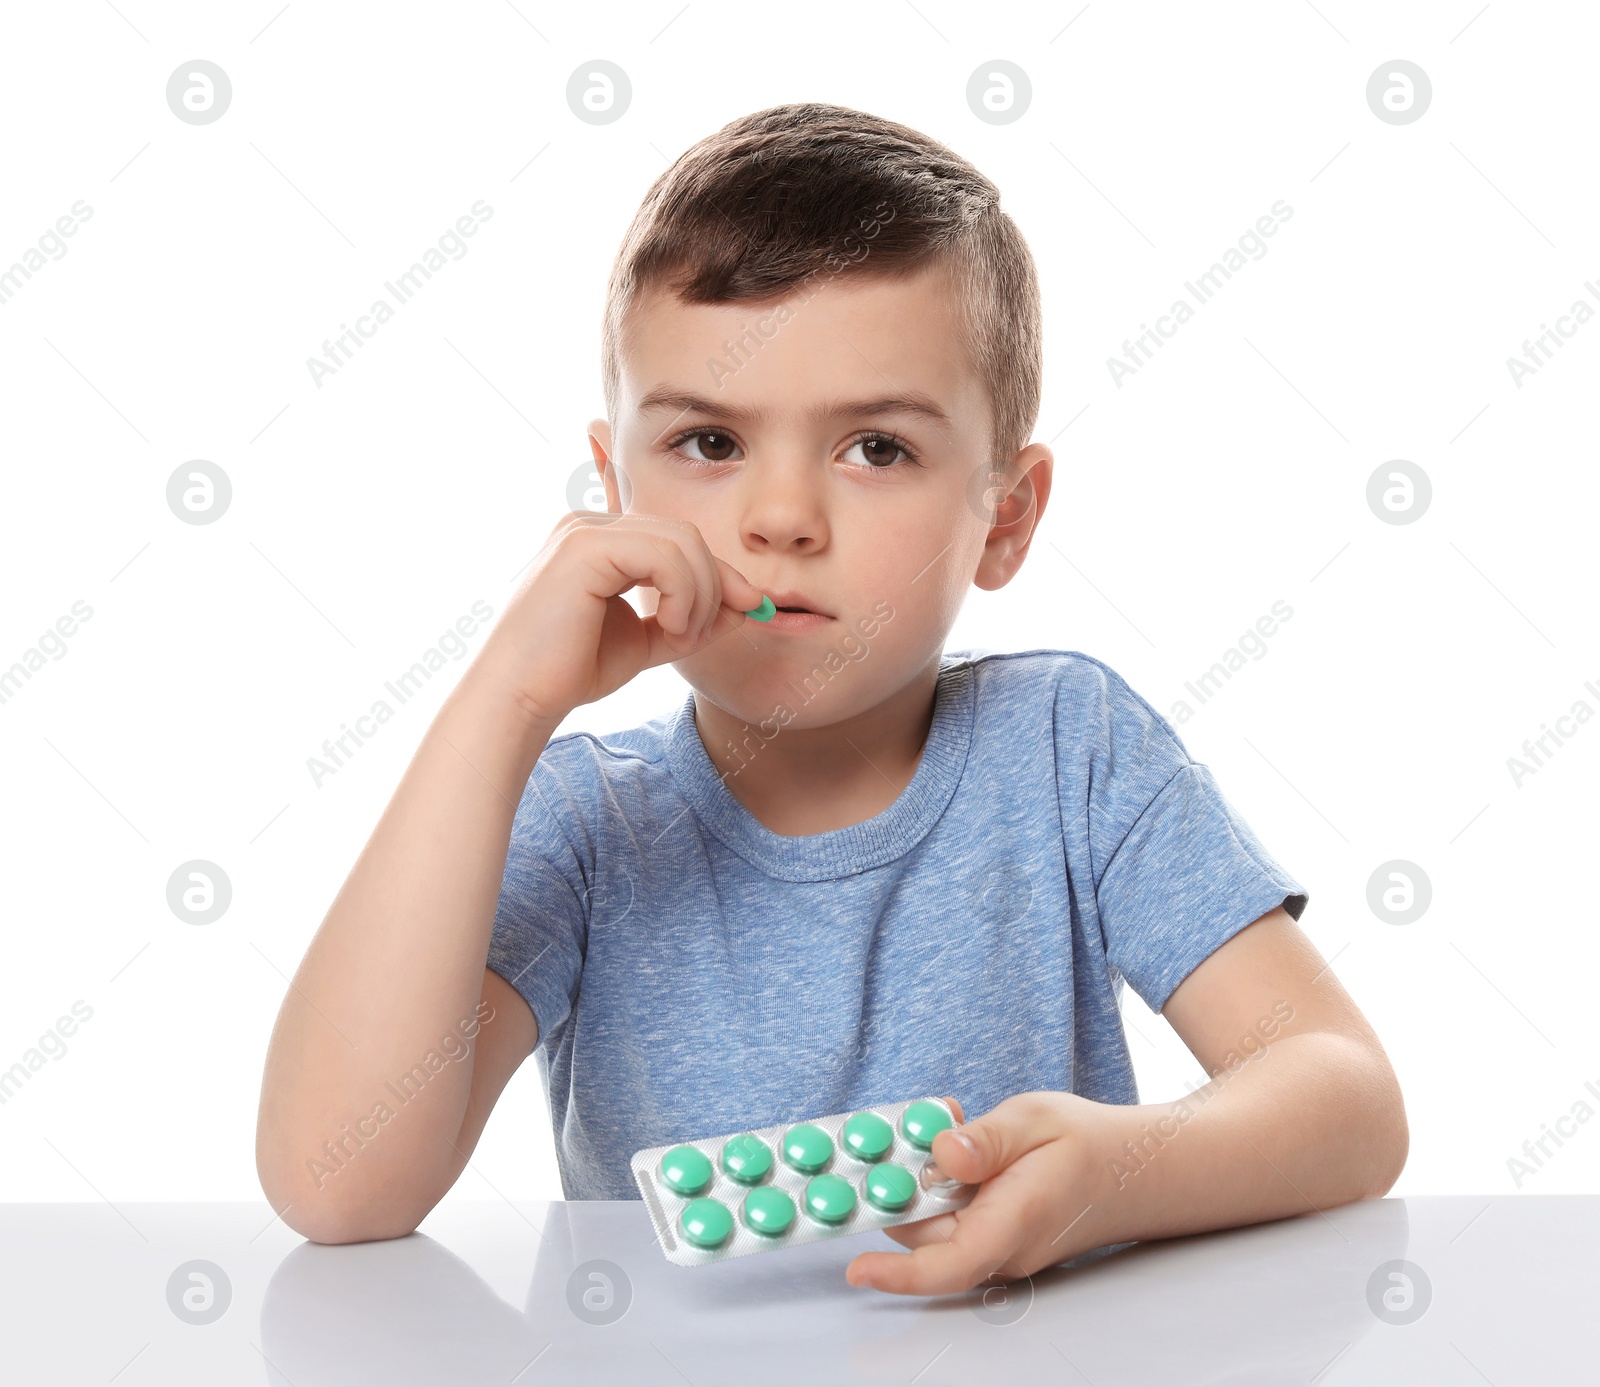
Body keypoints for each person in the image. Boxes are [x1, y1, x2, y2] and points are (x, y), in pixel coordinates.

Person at [255, 102, 1407, 1296]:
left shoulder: (1069, 752)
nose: (781, 517)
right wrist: (502, 698)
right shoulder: (587, 822)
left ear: (1002, 516)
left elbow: (1346, 1095)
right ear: (613, 491)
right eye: (708, 442)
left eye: (875, 448)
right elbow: (335, 1183)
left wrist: (1124, 1169)